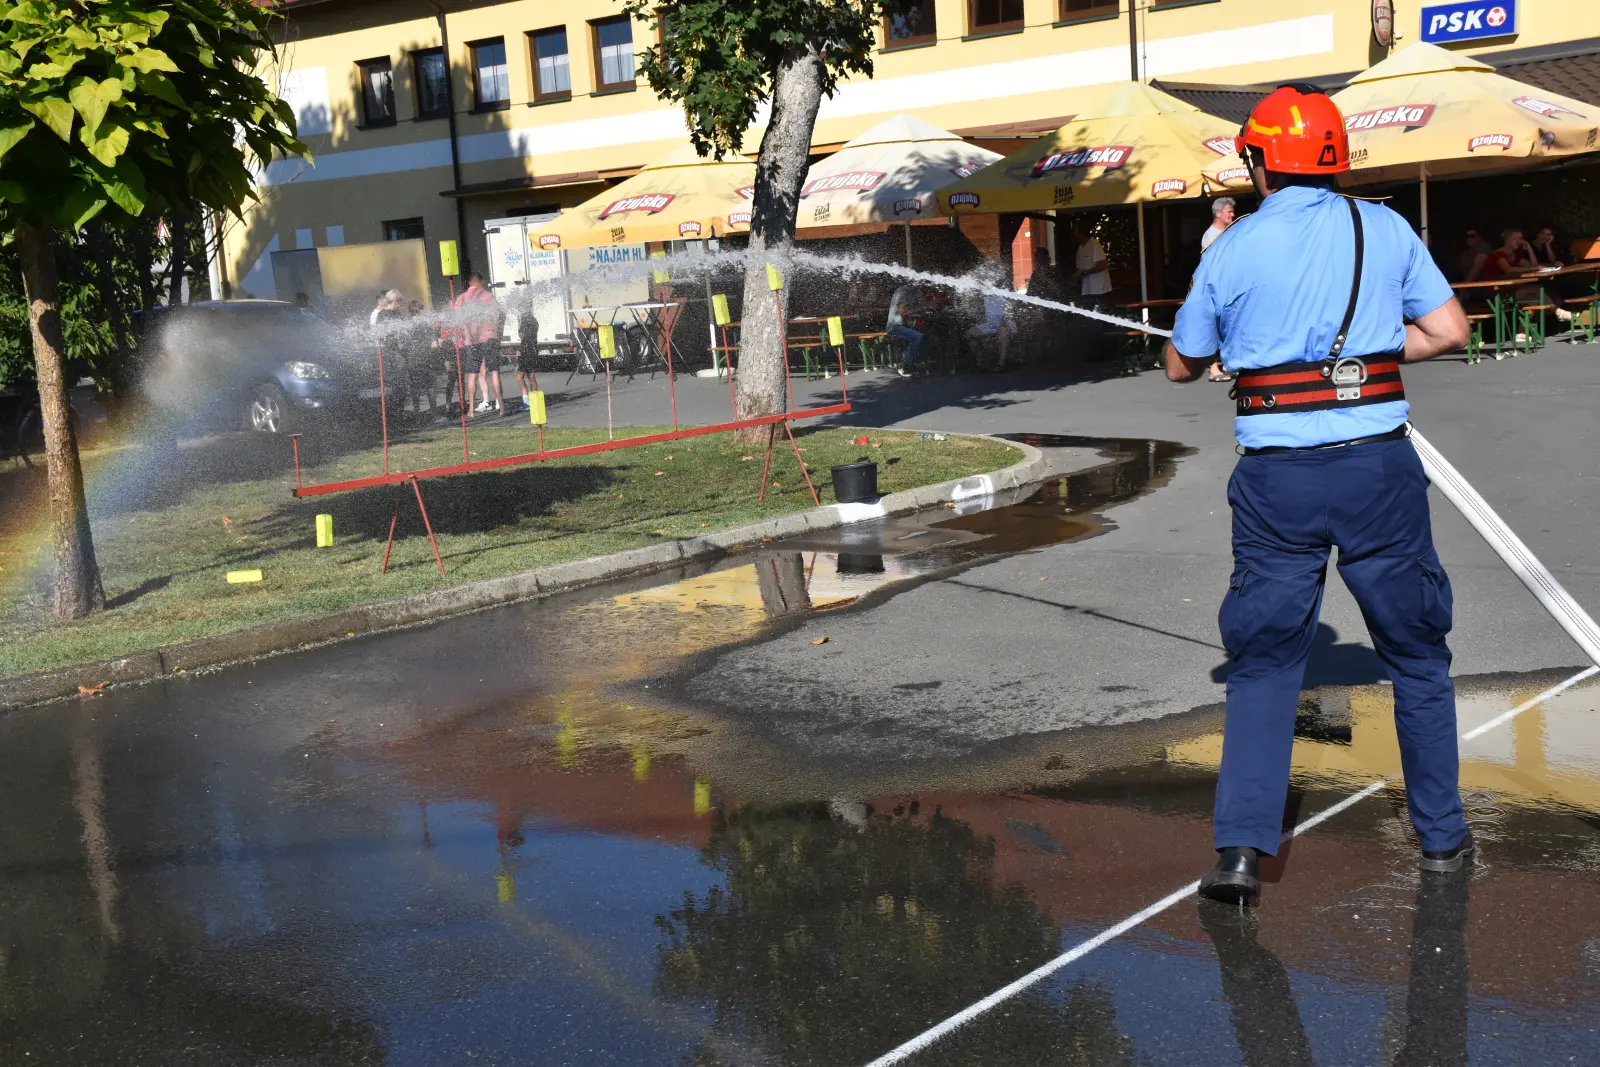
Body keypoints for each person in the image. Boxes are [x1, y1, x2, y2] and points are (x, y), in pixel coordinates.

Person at [1163, 83, 1474, 906]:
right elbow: (1449, 330)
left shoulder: (1231, 249)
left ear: (1260, 162)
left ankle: (1239, 855)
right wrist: (1361, 362)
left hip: (1277, 483)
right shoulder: (1386, 228)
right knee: (1416, 653)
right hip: (1378, 470)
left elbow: (1180, 363)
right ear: (1334, 161)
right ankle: (1441, 839)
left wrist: (1261, 356)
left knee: (1265, 663)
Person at [451, 271, 506, 416]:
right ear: (481, 281)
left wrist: (467, 337)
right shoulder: (488, 296)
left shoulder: (461, 299)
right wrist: (497, 334)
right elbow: (497, 317)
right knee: (494, 372)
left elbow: (460, 321)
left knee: (472, 375)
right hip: (490, 338)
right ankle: (501, 407)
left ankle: (470, 411)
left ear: (469, 282)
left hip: (472, 341)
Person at [1201, 199, 1238, 382]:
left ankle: (1228, 363)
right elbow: (1213, 265)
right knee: (1216, 327)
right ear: (1218, 214)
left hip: (1229, 286)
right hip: (1218, 288)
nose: (1232, 215)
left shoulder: (1227, 232)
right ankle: (1214, 368)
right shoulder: (1211, 236)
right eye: (1229, 212)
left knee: (1230, 326)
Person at [1068, 220, 1112, 302]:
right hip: (1087, 290)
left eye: (1075, 231)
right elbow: (1080, 269)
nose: (1073, 233)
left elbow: (1102, 265)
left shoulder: (1094, 244)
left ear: (1080, 232)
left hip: (1099, 290)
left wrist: (1084, 273)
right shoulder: (1080, 247)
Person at [887, 284, 924, 377]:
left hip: (899, 326)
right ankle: (905, 366)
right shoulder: (903, 293)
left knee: (919, 334)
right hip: (894, 327)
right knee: (917, 336)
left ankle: (911, 364)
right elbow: (902, 311)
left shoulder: (903, 291)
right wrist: (918, 311)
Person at [514, 297, 540, 413]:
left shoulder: (524, 319)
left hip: (526, 349)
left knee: (519, 377)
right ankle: (534, 401)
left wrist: (518, 322)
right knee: (531, 375)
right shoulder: (534, 319)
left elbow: (522, 336)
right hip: (533, 349)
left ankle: (527, 402)